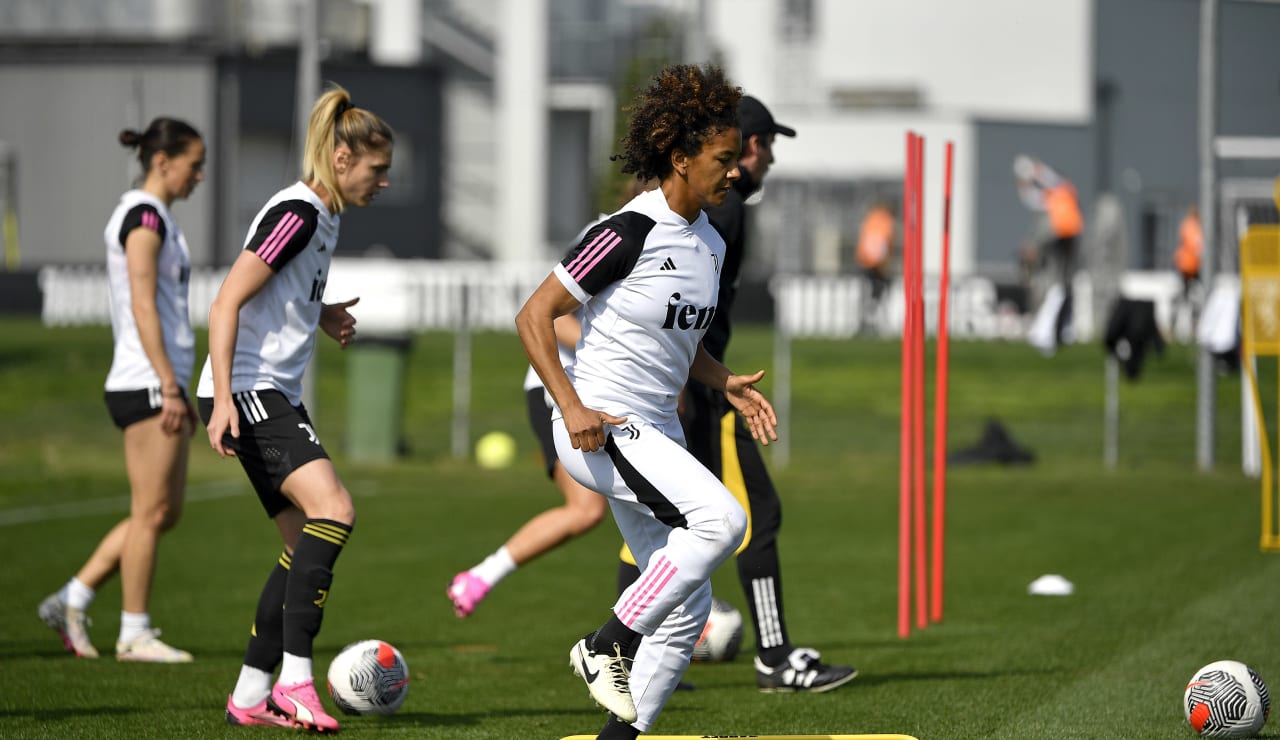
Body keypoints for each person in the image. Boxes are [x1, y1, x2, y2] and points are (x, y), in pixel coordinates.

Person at [516, 64, 777, 740]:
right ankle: (607, 643)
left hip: (655, 434)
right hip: (603, 428)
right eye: (722, 160)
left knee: (687, 610)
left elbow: (680, 343)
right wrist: (571, 408)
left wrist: (726, 384)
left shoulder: (712, 243)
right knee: (720, 521)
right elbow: (534, 316)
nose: (731, 173)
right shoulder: (626, 231)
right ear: (680, 158)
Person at [615, 94, 857, 695]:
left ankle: (633, 650)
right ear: (744, 149)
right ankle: (774, 658)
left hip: (691, 383)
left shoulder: (716, 210)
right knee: (755, 516)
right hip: (700, 390)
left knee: (660, 521)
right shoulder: (718, 210)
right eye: (767, 146)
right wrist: (685, 383)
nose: (769, 159)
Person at [199, 84, 391, 732]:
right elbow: (226, 301)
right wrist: (225, 398)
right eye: (377, 168)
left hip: (268, 393)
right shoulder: (301, 211)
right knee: (334, 510)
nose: (384, 182)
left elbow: (276, 293)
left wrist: (321, 310)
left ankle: (250, 696)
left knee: (299, 544)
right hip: (250, 392)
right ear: (342, 159)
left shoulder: (325, 216)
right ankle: (296, 684)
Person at [446, 179, 657, 619]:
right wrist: (612, 357)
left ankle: (656, 626)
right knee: (591, 510)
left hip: (614, 395)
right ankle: (482, 576)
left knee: (643, 510)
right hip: (558, 391)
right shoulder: (611, 232)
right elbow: (549, 315)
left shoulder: (675, 239)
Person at [38, 117, 205, 663]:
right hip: (145, 381)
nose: (199, 175)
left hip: (162, 380)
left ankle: (74, 595)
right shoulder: (143, 218)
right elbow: (141, 303)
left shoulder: (159, 218)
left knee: (163, 513)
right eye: (194, 163)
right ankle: (134, 632)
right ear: (163, 161)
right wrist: (168, 384)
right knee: (151, 509)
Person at [1014, 154, 1083, 349]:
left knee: (1065, 282)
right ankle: (1057, 325)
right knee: (1059, 281)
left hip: (1068, 237)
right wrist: (1024, 185)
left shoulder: (1064, 190)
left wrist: (1038, 171)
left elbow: (1052, 179)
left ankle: (1063, 326)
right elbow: (1032, 199)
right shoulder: (1053, 197)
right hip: (1058, 239)